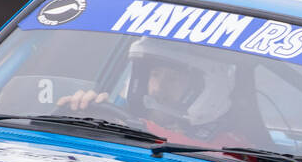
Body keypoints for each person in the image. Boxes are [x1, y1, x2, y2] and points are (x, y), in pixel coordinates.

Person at [57, 37, 263, 146]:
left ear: (203, 89)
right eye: (154, 75)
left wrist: (129, 128)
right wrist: (81, 114)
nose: (158, 87)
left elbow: (217, 158)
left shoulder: (228, 143)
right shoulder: (116, 116)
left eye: (173, 79)